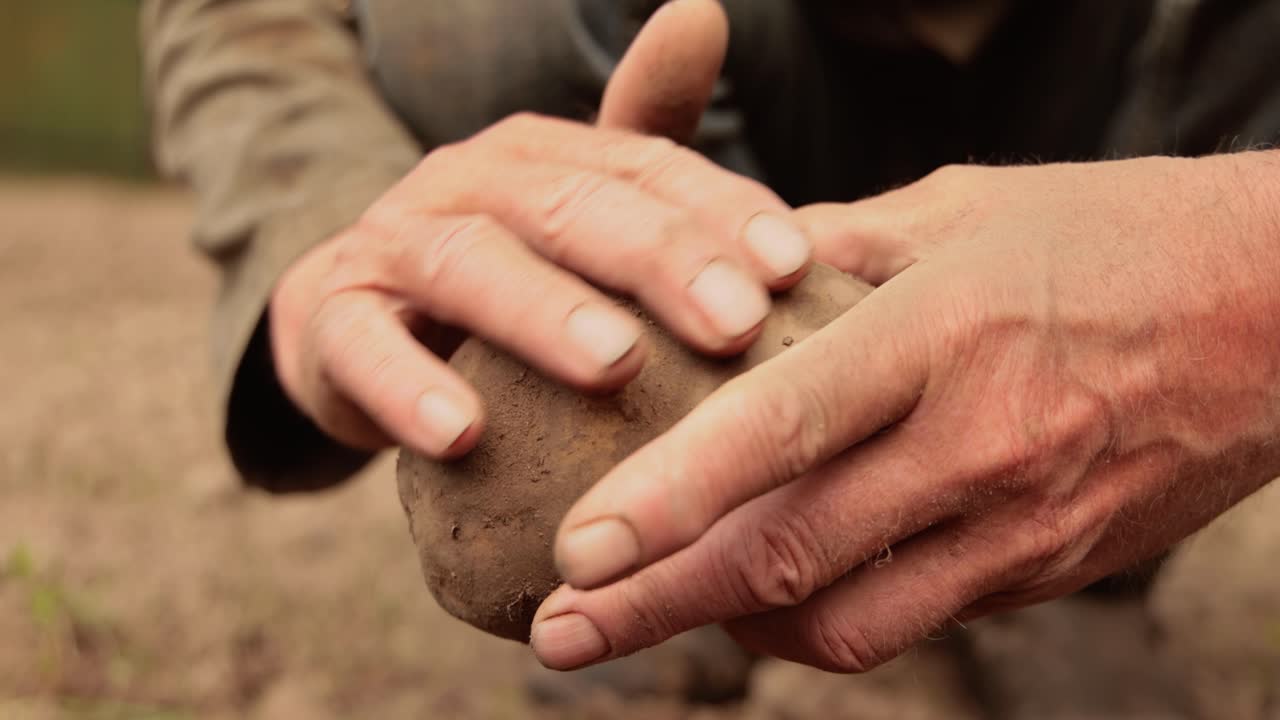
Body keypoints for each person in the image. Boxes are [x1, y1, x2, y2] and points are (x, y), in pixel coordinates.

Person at [143, 0, 1280, 714]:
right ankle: (666, 553)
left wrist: (1247, 271)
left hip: (1165, 76)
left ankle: (1071, 568)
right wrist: (322, 224)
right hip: (748, 81)